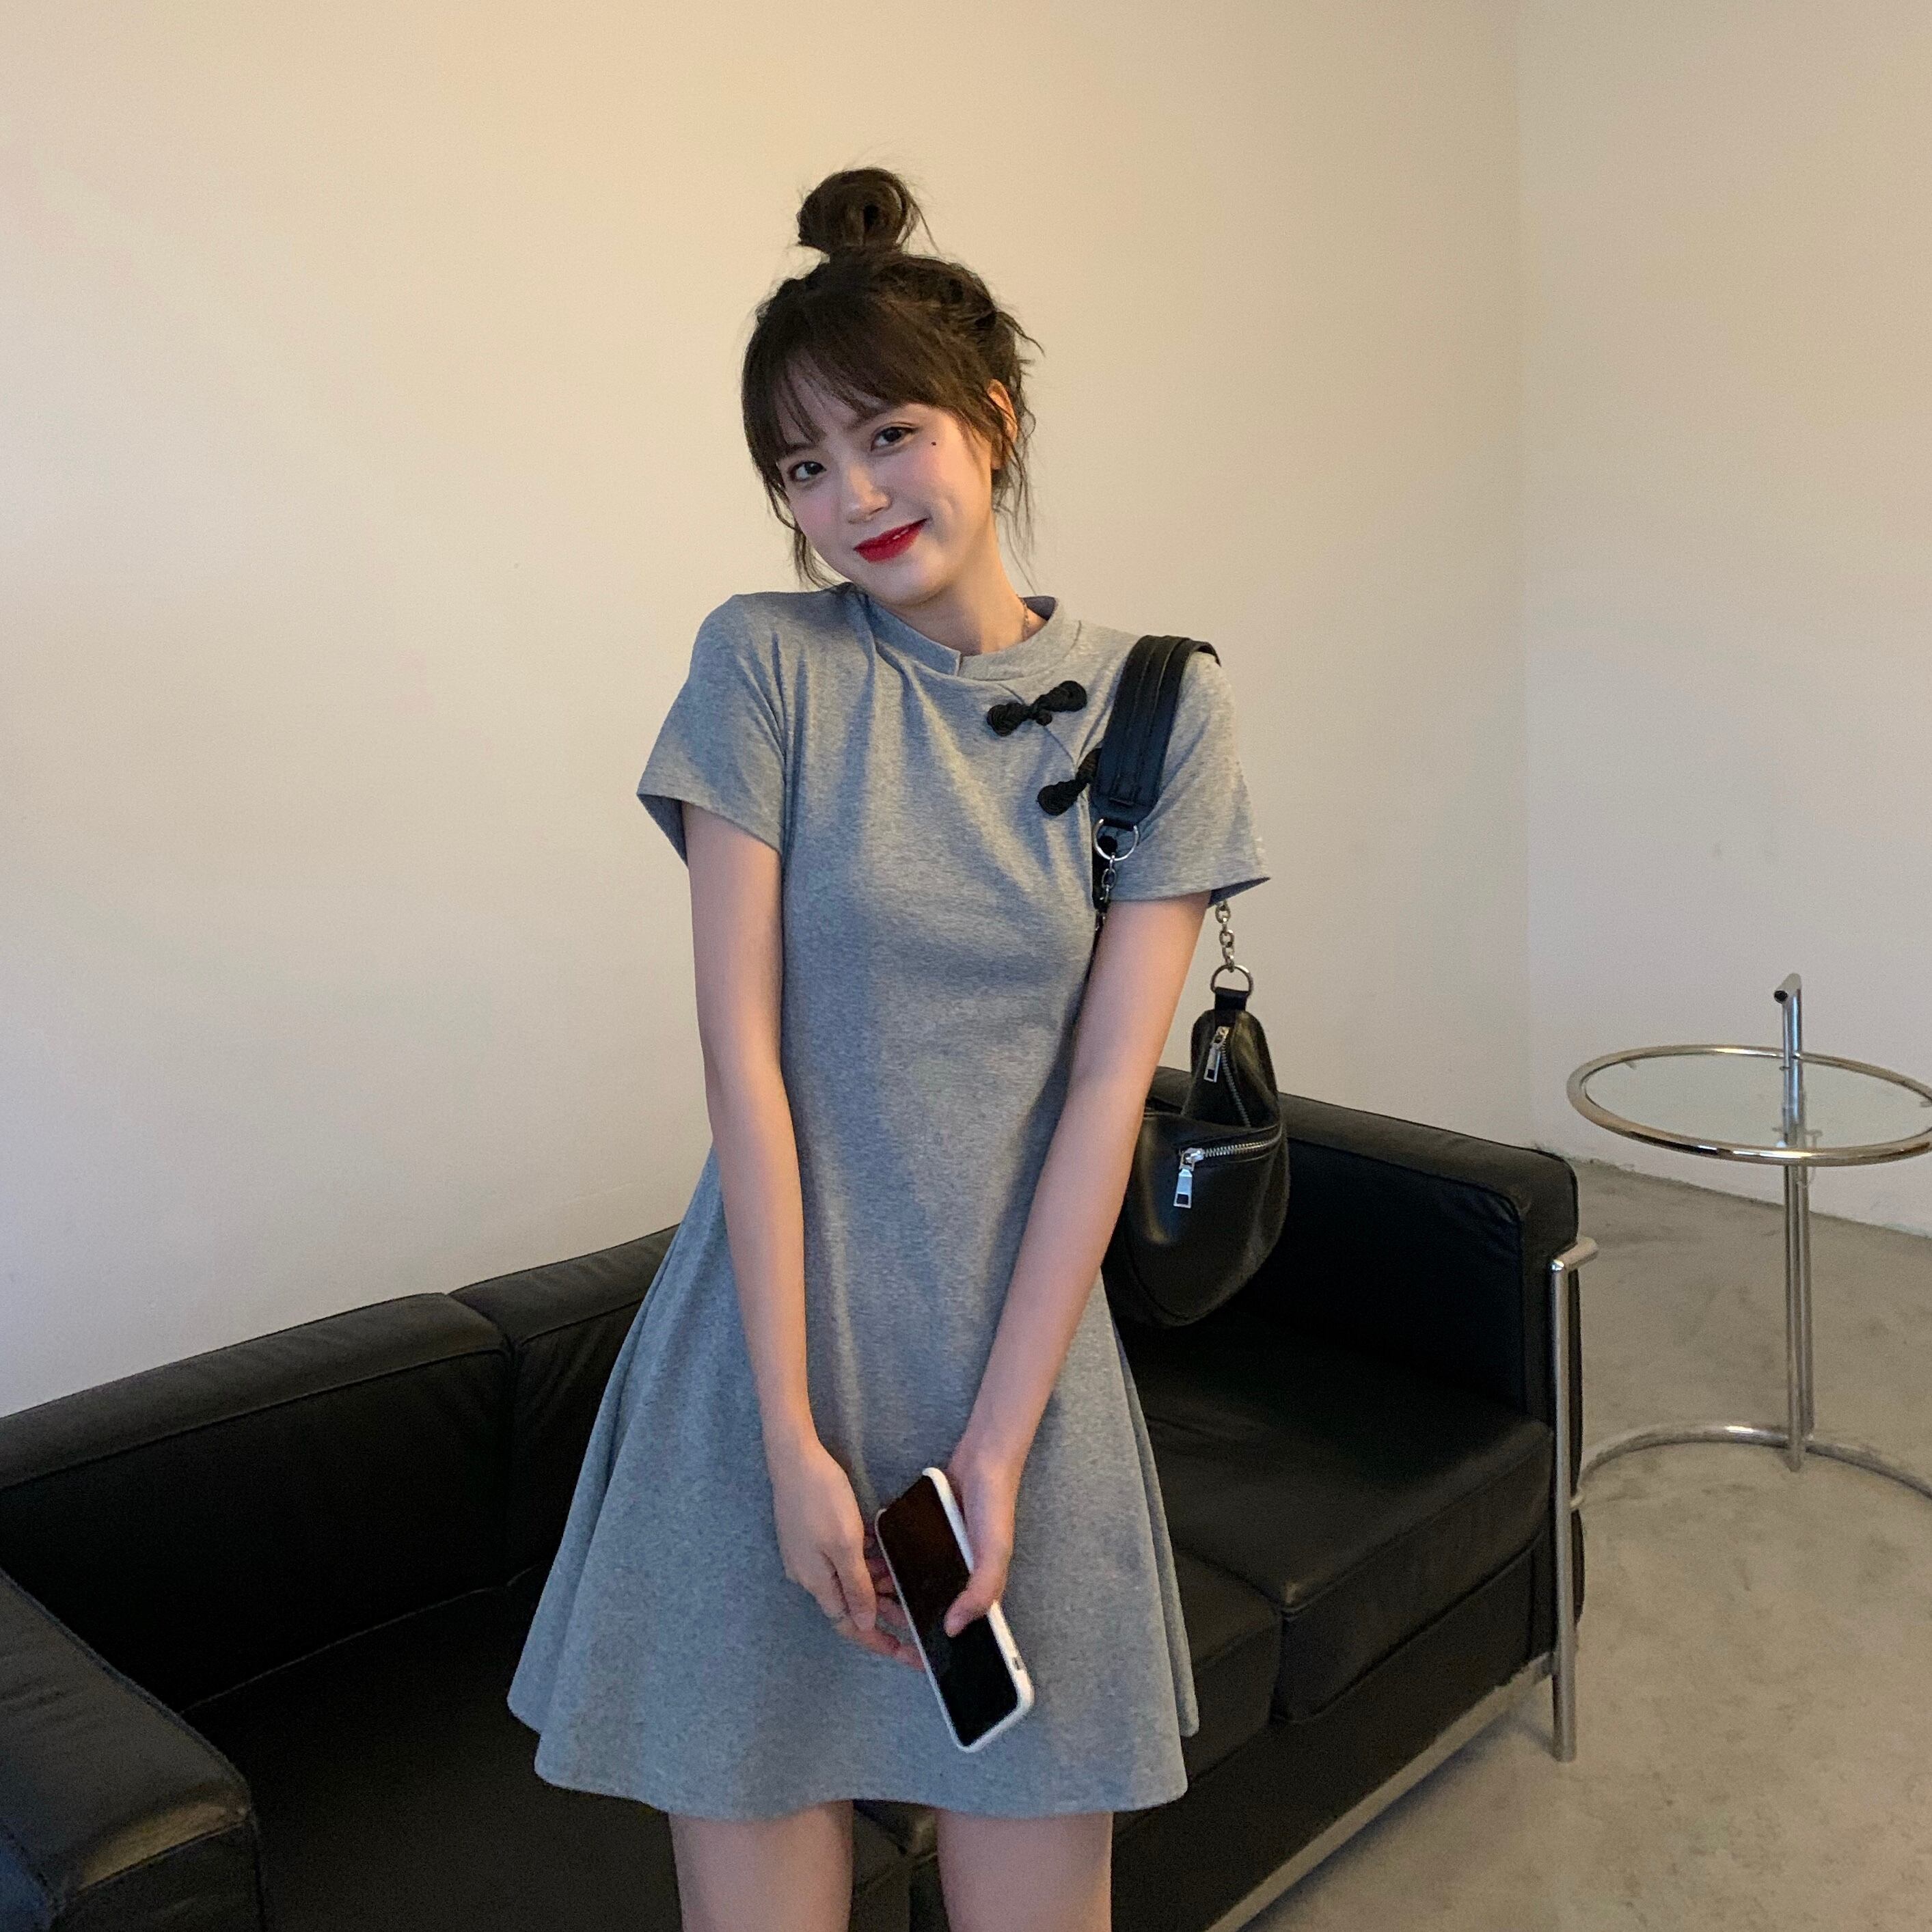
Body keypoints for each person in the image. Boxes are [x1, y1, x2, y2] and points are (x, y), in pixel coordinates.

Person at [506, 165, 1270, 1932]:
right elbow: (745, 1064)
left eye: (887, 435)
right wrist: (784, 1433)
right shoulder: (765, 666)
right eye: (799, 465)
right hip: (757, 1372)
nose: (847, 497)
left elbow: (1104, 1091)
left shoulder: (1165, 708)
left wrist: (994, 1451)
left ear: (994, 417)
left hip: (1020, 1384)